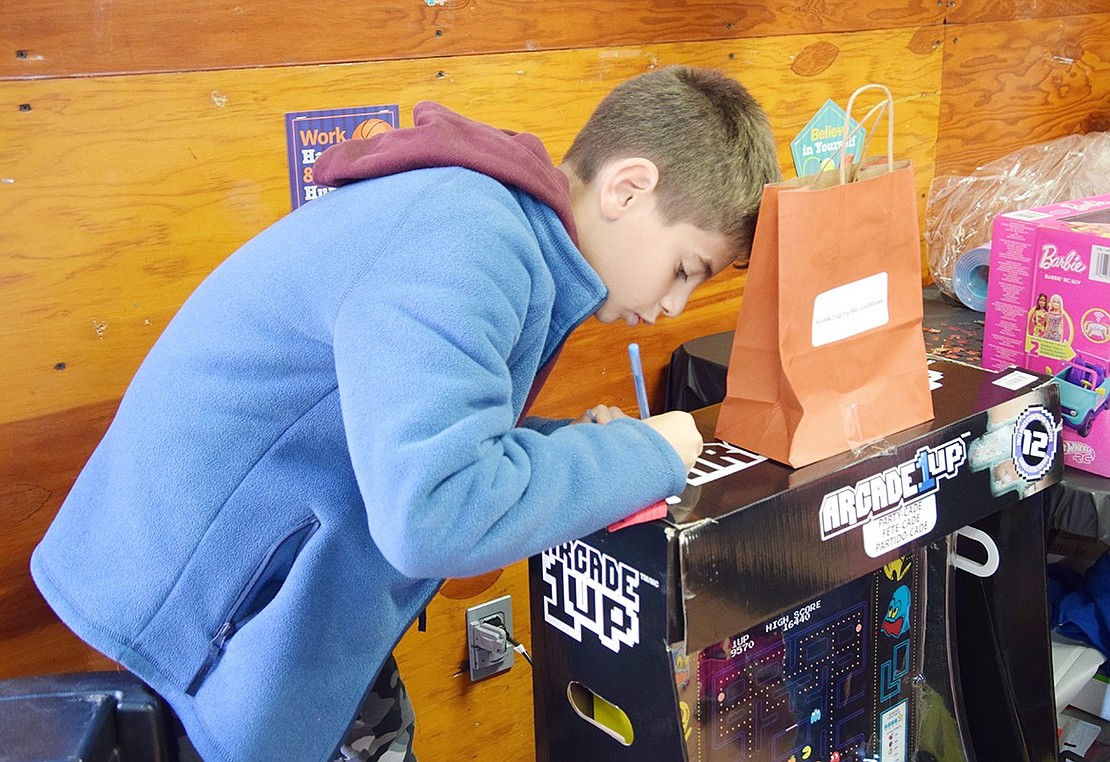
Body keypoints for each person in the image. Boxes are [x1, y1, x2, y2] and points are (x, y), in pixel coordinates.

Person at [31, 65, 780, 762]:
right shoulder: (466, 236)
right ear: (628, 187)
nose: (670, 307)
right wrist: (645, 455)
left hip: (256, 587)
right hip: (203, 612)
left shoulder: (494, 225)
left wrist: (570, 446)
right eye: (685, 269)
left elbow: (417, 439)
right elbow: (435, 512)